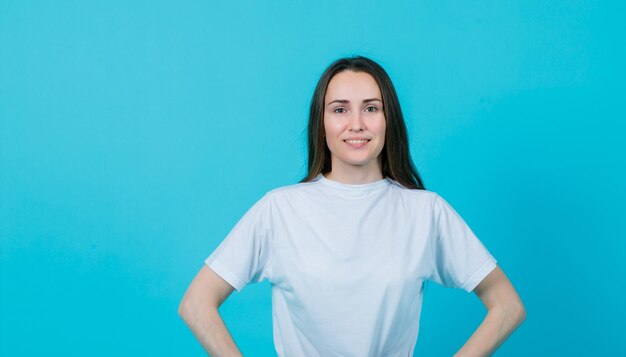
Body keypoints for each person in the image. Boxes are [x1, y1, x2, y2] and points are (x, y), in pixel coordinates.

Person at [179, 56, 525, 356]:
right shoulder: (280, 210)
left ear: (389, 120)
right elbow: (196, 303)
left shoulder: (425, 212)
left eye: (371, 108)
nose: (356, 123)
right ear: (322, 122)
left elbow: (507, 306)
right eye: (340, 109)